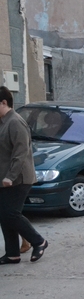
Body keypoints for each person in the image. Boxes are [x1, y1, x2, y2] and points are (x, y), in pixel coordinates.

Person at [0, 86, 48, 265]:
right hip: (5, 178)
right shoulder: (3, 122)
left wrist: (10, 176)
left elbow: (20, 153)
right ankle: (12, 253)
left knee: (10, 213)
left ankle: (39, 241)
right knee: (4, 215)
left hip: (19, 178)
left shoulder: (15, 122)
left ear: (4, 103)